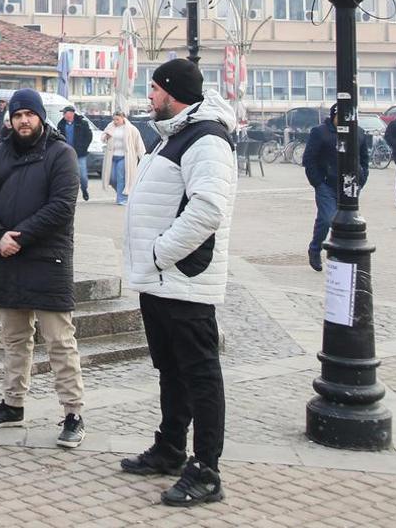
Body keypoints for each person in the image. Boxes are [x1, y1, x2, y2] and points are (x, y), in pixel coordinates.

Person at [120, 59, 237, 507]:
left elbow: (208, 209)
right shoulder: (174, 134)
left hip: (184, 278)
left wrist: (160, 253)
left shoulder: (207, 138)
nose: (148, 96)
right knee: (171, 369)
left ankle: (207, 470)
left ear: (172, 92)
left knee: (201, 374)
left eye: (153, 88)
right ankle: (170, 448)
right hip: (160, 280)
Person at [0, 89, 86, 446]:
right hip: (6, 258)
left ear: (40, 118)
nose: (23, 120)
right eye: (17, 115)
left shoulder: (60, 153)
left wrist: (19, 236)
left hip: (47, 259)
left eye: (29, 115)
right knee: (14, 339)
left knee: (59, 342)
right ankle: (12, 404)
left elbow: (62, 205)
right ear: (10, 119)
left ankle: (73, 413)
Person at [302, 102, 370, 272]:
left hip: (350, 186)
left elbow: (364, 159)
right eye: (341, 117)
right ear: (334, 116)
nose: (345, 121)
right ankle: (315, 249)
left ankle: (339, 256)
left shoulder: (359, 133)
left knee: (347, 223)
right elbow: (309, 159)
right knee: (327, 219)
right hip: (326, 184)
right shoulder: (320, 133)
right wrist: (317, 181)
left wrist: (362, 179)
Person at [102, 109, 148, 206]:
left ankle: (122, 199)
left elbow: (138, 143)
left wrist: (143, 157)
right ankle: (121, 190)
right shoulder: (110, 127)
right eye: (114, 119)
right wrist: (106, 136)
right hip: (112, 157)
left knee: (121, 177)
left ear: (123, 118)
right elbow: (103, 138)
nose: (115, 122)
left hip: (125, 157)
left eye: (117, 119)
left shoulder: (132, 129)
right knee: (111, 178)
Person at [59, 105, 94, 201]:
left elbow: (89, 136)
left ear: (71, 113)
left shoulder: (82, 123)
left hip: (80, 154)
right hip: (66, 155)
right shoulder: (61, 124)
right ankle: (69, 195)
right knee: (67, 176)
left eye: (64, 112)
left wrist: (84, 147)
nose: (63, 115)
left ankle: (84, 189)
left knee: (82, 176)